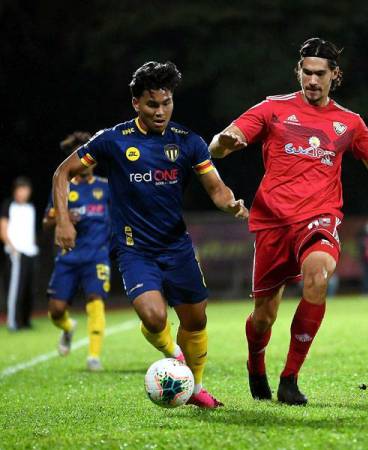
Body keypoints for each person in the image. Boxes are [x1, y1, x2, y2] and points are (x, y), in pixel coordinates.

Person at [209, 37, 368, 405]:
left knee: (318, 275)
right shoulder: (272, 108)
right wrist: (226, 142)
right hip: (271, 221)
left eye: (320, 73)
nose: (312, 80)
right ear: (298, 72)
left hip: (319, 217)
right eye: (306, 72)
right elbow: (219, 146)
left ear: (335, 75)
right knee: (263, 317)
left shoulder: (350, 123)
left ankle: (290, 378)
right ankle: (256, 363)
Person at [52, 61, 248, 408]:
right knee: (154, 316)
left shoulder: (189, 142)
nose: (161, 111)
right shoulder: (112, 140)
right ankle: (172, 352)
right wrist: (64, 220)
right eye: (152, 104)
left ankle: (195, 389)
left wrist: (231, 204)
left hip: (177, 247)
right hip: (134, 249)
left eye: (167, 102)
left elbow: (216, 189)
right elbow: (62, 173)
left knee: (196, 319)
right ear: (136, 104)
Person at [44, 132, 110, 371]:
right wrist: (63, 218)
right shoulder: (64, 188)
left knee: (96, 301)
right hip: (68, 255)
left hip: (97, 255)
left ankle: (93, 356)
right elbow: (46, 221)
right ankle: (67, 327)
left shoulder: (105, 187)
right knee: (56, 310)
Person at [1, 177, 38, 331]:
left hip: (31, 252)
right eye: (20, 189)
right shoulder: (8, 205)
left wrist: (34, 245)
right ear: (15, 191)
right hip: (16, 253)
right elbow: (3, 228)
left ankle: (25, 321)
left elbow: (31, 231)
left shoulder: (31, 208)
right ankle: (12, 321)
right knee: (16, 289)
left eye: (25, 190)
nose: (23, 193)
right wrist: (12, 247)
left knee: (30, 289)